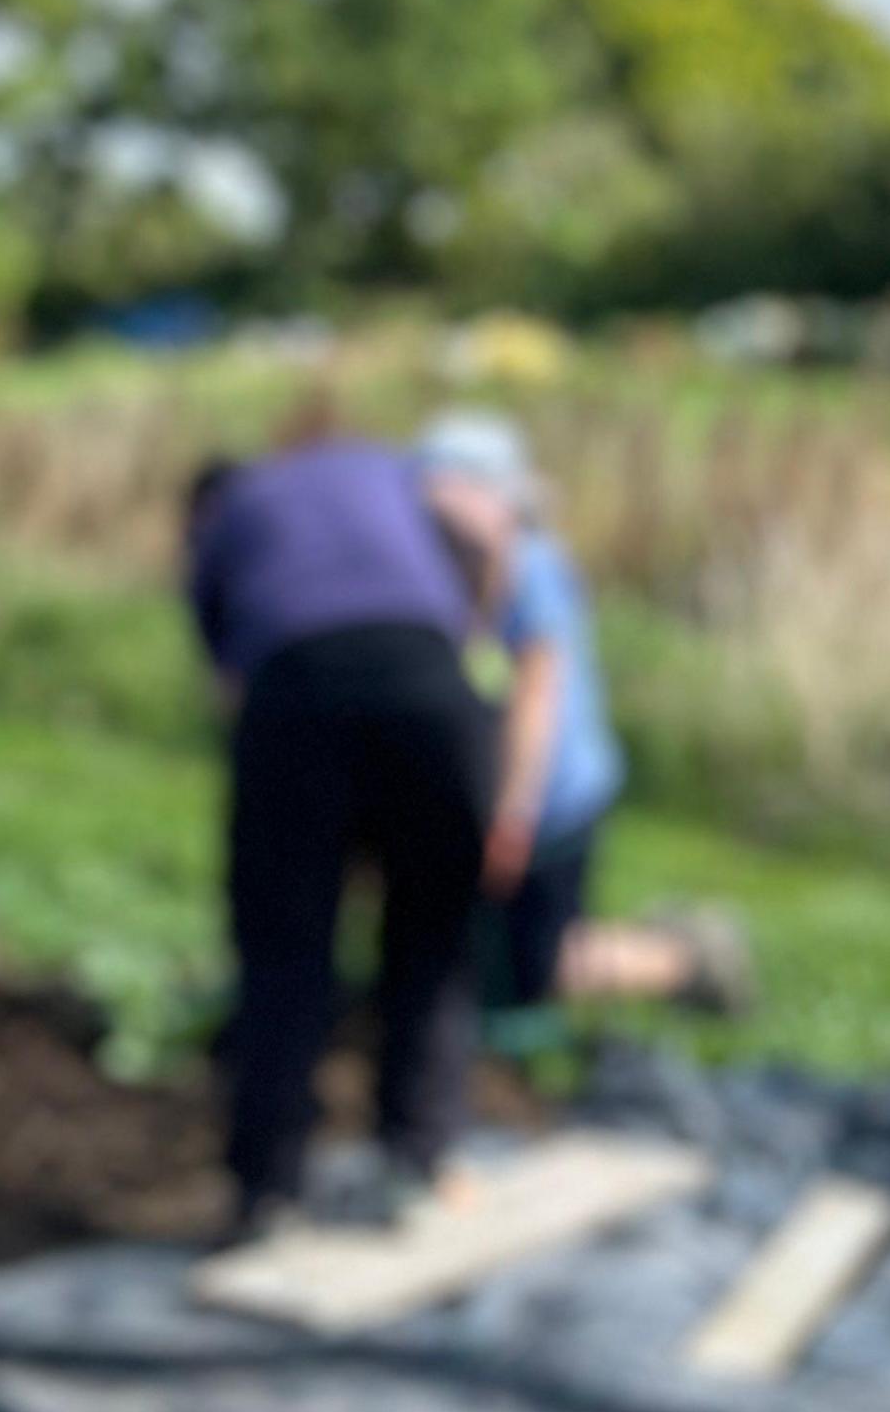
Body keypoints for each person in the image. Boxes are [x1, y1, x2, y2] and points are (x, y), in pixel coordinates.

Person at [183, 435, 497, 1240]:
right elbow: (479, 537)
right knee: (430, 936)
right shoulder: (385, 470)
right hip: (435, 691)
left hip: (297, 701)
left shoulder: (230, 512)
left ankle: (267, 1193)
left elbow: (225, 672)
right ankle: (416, 1159)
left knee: (285, 954)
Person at [413, 412, 753, 1036]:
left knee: (538, 966)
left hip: (552, 802)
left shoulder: (534, 570)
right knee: (472, 950)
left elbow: (538, 701)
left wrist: (512, 815)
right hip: (495, 797)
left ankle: (686, 957)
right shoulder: (445, 569)